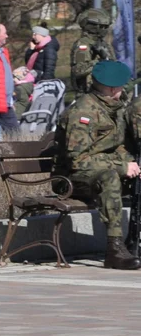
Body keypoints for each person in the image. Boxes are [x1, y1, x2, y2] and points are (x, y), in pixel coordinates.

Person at [59, 60, 141, 270]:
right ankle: (115, 250)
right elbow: (78, 161)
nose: (124, 90)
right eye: (121, 86)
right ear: (113, 89)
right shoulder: (83, 113)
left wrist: (129, 162)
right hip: (70, 179)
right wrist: (121, 167)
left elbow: (116, 146)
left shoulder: (111, 108)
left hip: (96, 171)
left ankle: (135, 239)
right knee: (110, 177)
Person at [70, 8, 113, 94]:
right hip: (88, 93)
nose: (105, 30)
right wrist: (99, 61)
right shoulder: (83, 44)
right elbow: (78, 70)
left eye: (106, 27)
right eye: (102, 27)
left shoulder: (102, 43)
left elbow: (112, 63)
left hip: (104, 91)